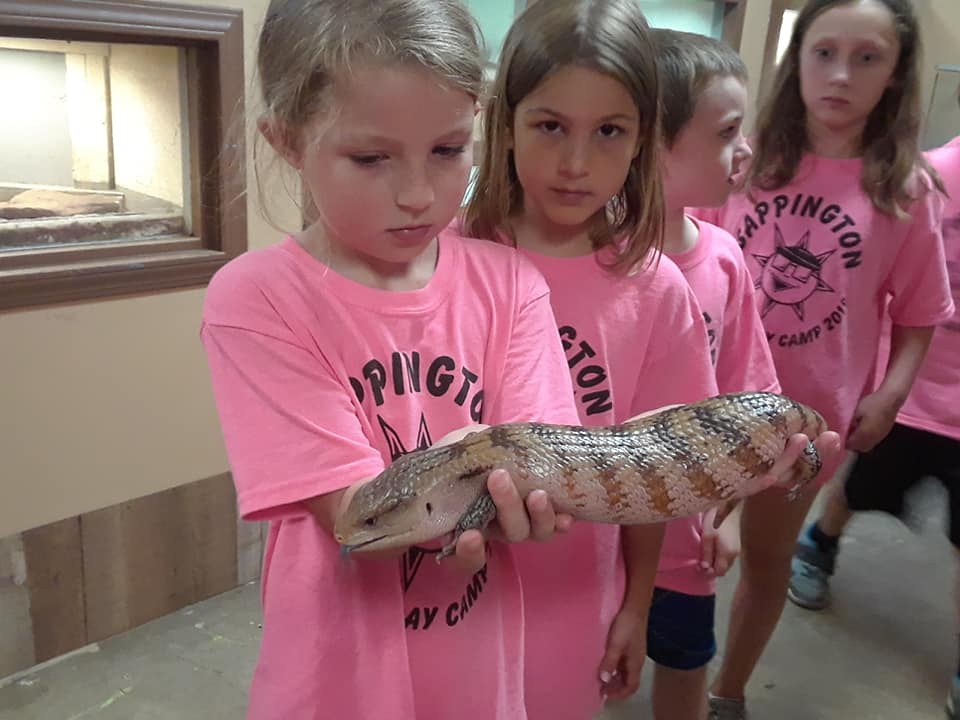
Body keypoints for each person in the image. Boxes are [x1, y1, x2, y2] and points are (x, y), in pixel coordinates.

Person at [199, 1, 585, 717]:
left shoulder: (509, 283)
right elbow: (357, 521)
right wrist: (506, 482)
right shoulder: (257, 300)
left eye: (448, 150)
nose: (417, 194)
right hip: (336, 684)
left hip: (475, 671)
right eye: (371, 157)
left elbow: (546, 471)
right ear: (286, 139)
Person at [464, 2, 837, 717]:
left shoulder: (658, 290)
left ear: (642, 141)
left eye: (610, 131)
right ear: (504, 122)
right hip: (453, 594)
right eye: (549, 126)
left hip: (576, 600)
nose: (577, 163)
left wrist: (635, 606)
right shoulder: (450, 260)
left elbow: (655, 478)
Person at [691, 1, 955, 718]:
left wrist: (893, 394)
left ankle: (728, 690)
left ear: (896, 73)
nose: (840, 75)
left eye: (867, 57)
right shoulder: (743, 161)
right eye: (823, 52)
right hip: (704, 405)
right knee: (681, 553)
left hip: (811, 422)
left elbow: (922, 311)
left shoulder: (906, 190)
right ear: (796, 58)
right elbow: (687, 263)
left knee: (768, 559)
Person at [788, 129, 960, 718]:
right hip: (916, 399)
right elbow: (906, 296)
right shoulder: (930, 176)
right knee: (860, 488)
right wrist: (888, 389)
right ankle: (820, 542)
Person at [648, 28, 780, 720]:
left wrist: (727, 514)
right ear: (655, 143)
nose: (745, 150)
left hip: (685, 534)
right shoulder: (588, 263)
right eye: (728, 131)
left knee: (682, 668)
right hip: (584, 538)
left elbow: (744, 404)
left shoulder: (725, 260)